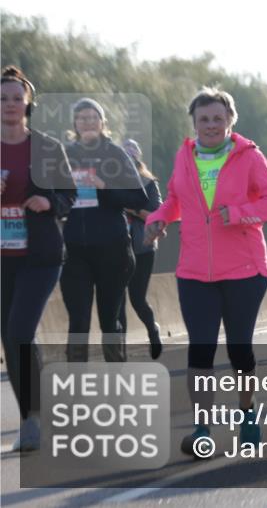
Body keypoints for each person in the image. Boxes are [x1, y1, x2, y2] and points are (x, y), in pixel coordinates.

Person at [145, 88, 267, 455]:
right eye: (203, 119)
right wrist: (160, 217)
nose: (210, 125)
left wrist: (239, 213)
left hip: (244, 269)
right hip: (194, 270)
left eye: (217, 119)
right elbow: (177, 199)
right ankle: (203, 430)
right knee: (201, 349)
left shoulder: (249, 157)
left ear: (230, 122)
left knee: (239, 349)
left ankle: (246, 414)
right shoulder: (185, 156)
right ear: (194, 123)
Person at [1, 67, 76, 452]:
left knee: (19, 330)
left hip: (41, 255)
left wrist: (50, 202)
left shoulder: (46, 146)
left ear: (28, 103)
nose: (10, 104)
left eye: (16, 97)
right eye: (3, 98)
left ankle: (33, 419)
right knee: (10, 338)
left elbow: (69, 194)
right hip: (3, 258)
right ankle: (32, 412)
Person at [61, 98, 147, 363]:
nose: (87, 122)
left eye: (93, 117)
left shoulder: (115, 153)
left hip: (113, 249)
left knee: (109, 321)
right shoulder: (65, 154)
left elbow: (138, 199)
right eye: (82, 117)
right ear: (75, 124)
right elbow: (51, 195)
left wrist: (104, 186)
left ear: (102, 123)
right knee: (78, 321)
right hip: (75, 249)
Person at [118, 138, 163, 359]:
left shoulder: (149, 183)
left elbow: (156, 215)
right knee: (118, 300)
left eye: (131, 156)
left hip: (142, 248)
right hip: (115, 248)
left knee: (137, 298)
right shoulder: (110, 182)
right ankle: (120, 350)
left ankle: (153, 331)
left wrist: (132, 209)